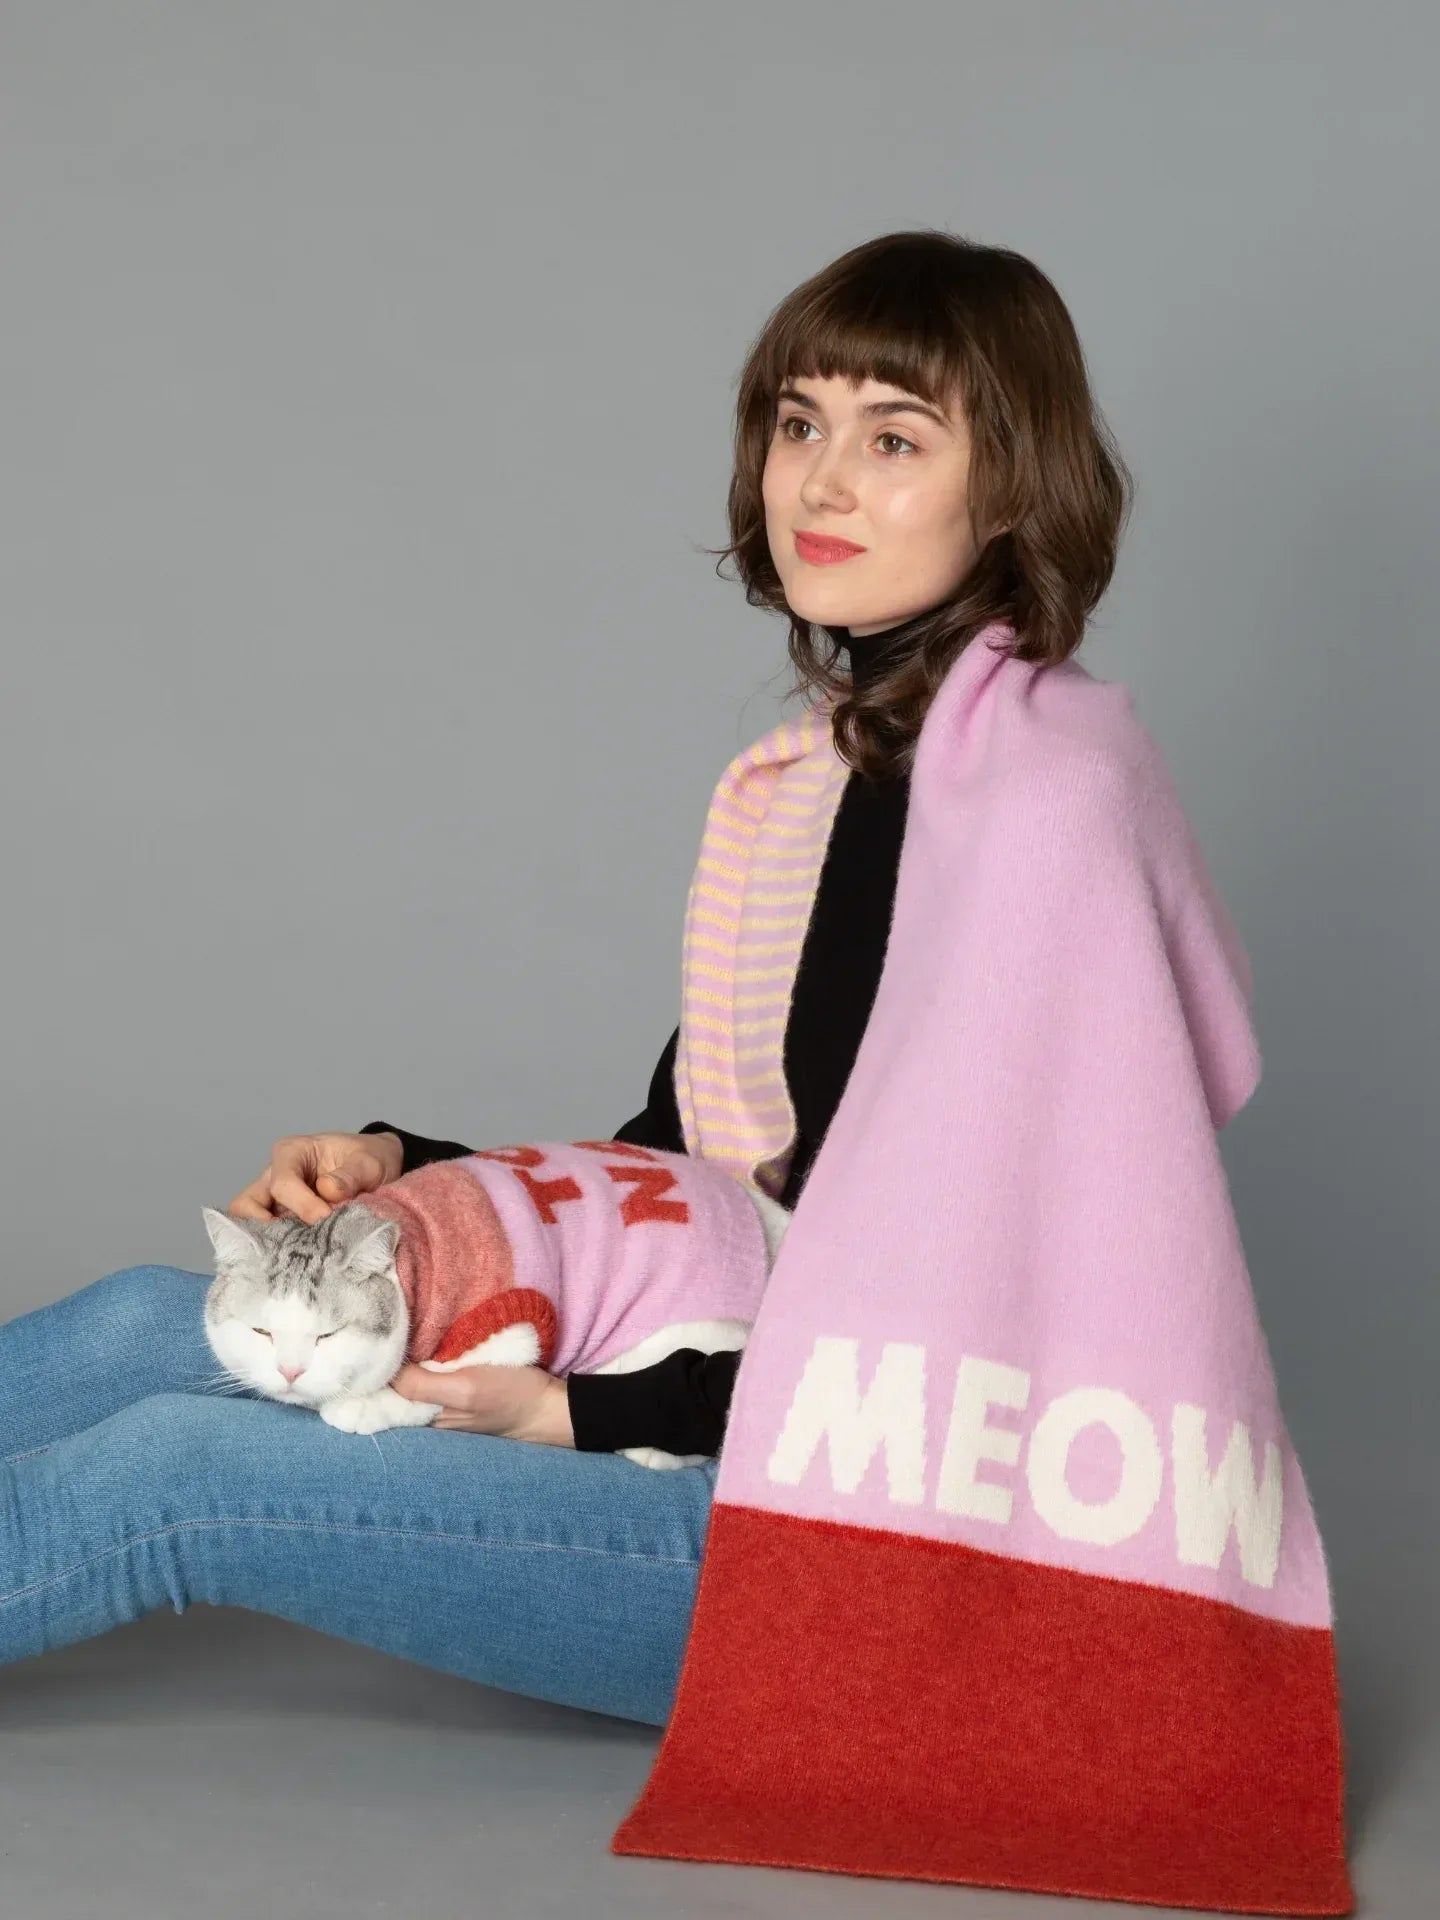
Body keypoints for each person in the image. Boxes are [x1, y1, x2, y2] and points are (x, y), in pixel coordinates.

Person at [0, 230, 1130, 1727]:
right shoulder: (830, 787)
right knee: (169, 1315)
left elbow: (964, 1327)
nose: (823, 482)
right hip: (718, 1411)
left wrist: (577, 1411)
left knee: (179, 1473)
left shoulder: (1025, 813)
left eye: (895, 436)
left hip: (850, 1544)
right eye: (801, 424)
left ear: (1014, 484)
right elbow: (686, 1200)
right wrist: (407, 1176)